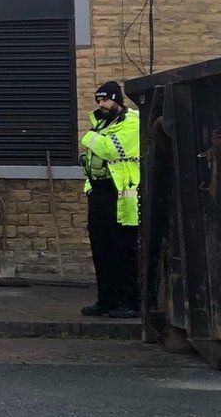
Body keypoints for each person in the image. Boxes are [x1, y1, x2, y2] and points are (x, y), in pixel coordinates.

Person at [79, 81, 140, 319]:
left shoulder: (132, 123)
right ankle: (106, 299)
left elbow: (111, 150)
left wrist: (89, 137)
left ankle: (130, 302)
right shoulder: (102, 124)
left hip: (121, 196)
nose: (101, 105)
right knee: (101, 249)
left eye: (105, 100)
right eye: (98, 101)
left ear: (117, 100)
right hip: (99, 194)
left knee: (123, 251)